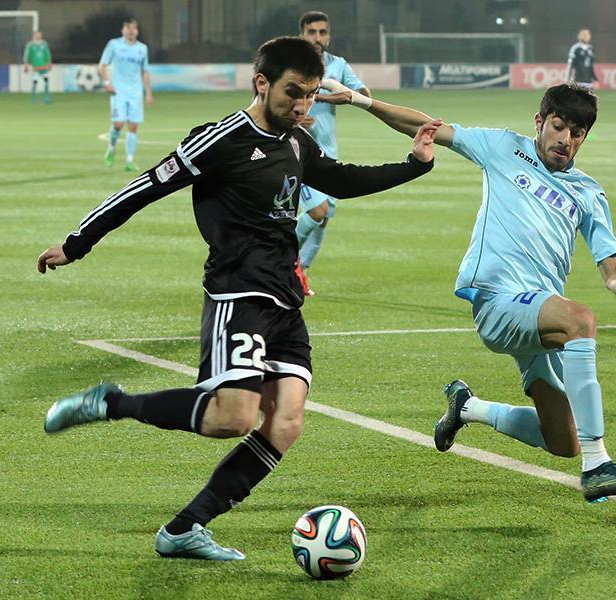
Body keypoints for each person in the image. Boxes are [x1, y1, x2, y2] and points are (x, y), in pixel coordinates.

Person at [37, 37, 438, 560]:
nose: (303, 105)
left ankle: (185, 528)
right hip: (238, 291)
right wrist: (77, 243)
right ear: (261, 83)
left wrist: (413, 164)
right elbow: (144, 187)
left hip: (285, 299)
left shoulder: (297, 140)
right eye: (293, 92)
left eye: (311, 94)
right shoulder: (221, 139)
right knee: (233, 418)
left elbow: (339, 180)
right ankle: (112, 403)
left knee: (286, 423)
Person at [318, 80, 616, 503]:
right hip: (498, 303)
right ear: (540, 122)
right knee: (581, 320)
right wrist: (361, 100)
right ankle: (598, 466)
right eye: (558, 126)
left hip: (537, 314)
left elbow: (611, 269)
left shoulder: (588, 192)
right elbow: (427, 127)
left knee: (563, 441)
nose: (566, 139)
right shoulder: (503, 148)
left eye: (577, 133)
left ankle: (467, 408)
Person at [293, 10, 372, 296]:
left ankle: (299, 273)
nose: (317, 38)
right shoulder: (290, 64)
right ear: (302, 34)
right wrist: (292, 116)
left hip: (327, 153)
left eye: (322, 32)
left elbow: (364, 93)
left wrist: (339, 96)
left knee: (323, 219)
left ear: (328, 35)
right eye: (312, 32)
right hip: (296, 152)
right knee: (318, 211)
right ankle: (280, 261)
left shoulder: (338, 66)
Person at [99, 18, 153, 171]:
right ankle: (111, 148)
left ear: (137, 31)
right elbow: (102, 66)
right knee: (118, 124)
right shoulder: (114, 45)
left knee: (133, 126)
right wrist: (108, 83)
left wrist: (148, 93)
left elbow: (145, 71)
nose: (131, 31)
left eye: (134, 28)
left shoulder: (142, 48)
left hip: (135, 92)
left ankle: (129, 161)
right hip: (118, 91)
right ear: (123, 30)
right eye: (128, 28)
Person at [23, 30, 52, 104]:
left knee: (46, 80)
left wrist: (49, 63)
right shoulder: (30, 45)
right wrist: (26, 65)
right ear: (34, 36)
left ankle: (47, 97)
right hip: (35, 67)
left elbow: (47, 53)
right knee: (35, 82)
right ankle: (34, 98)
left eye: (40, 35)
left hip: (44, 66)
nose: (39, 36)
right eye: (37, 35)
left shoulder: (44, 44)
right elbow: (27, 55)